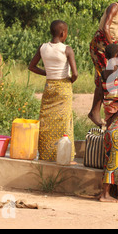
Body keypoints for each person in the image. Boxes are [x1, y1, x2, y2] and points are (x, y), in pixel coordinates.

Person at [28, 20, 78, 162]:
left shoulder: (42, 48)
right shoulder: (67, 49)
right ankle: (65, 156)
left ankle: (45, 154)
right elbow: (75, 74)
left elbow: (31, 66)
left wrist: (48, 73)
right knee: (64, 121)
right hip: (63, 88)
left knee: (46, 122)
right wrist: (69, 81)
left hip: (49, 86)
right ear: (63, 33)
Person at [101, 44, 118, 128]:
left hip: (108, 109)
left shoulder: (103, 73)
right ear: (117, 56)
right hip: (117, 108)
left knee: (110, 128)